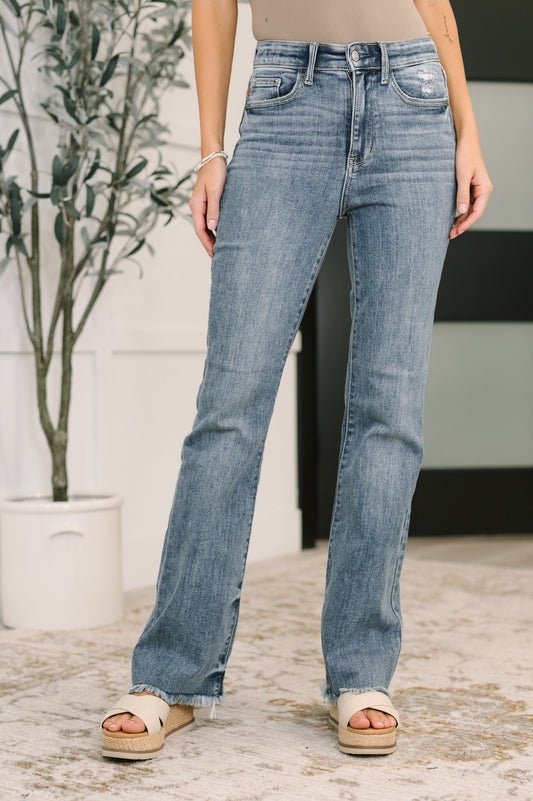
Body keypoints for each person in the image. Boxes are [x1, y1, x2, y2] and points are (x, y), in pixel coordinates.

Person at [101, 0, 492, 759]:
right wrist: (211, 150)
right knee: (230, 404)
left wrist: (466, 127)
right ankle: (172, 676)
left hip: (415, 101)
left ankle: (361, 670)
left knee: (389, 408)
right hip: (287, 98)